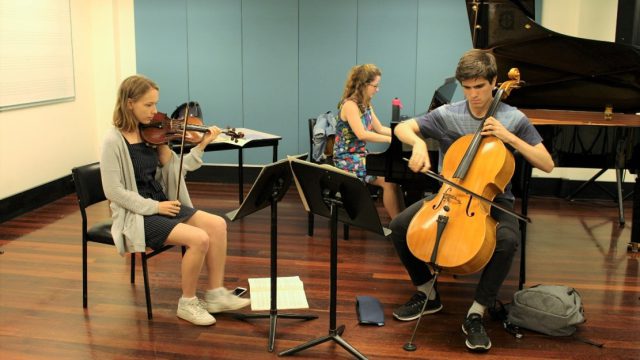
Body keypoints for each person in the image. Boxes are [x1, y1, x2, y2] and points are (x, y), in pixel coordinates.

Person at [390, 49, 554, 352]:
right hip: (450, 194)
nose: (473, 95)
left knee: (507, 241)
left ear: (494, 82)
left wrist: (510, 137)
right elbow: (403, 128)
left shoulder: (513, 118)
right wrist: (416, 144)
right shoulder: (449, 113)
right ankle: (428, 294)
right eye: (467, 88)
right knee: (400, 227)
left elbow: (546, 163)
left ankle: (476, 312)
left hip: (493, 197)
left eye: (479, 87)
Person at [100, 75, 250, 326]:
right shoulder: (112, 141)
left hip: (162, 204)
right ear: (129, 103)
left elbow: (176, 170)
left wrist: (201, 146)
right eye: (148, 105)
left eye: (156, 104)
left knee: (217, 225)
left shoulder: (151, 134)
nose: (155, 112)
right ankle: (187, 303)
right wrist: (155, 207)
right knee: (199, 238)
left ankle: (215, 295)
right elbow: (113, 192)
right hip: (136, 215)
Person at [333, 64, 405, 219]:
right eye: (375, 85)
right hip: (347, 160)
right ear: (364, 85)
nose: (377, 89)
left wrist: (401, 133)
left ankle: (403, 221)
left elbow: (379, 128)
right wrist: (390, 139)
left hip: (360, 155)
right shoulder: (350, 105)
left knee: (395, 177)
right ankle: (398, 225)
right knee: (388, 181)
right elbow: (362, 134)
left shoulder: (366, 104)